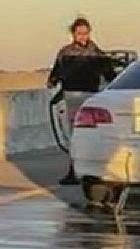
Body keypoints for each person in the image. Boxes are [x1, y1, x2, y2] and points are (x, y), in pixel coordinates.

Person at [47, 17, 117, 188]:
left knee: (91, 134)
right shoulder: (65, 53)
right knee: (74, 135)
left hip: (91, 96)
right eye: (79, 34)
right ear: (73, 34)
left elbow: (110, 76)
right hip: (71, 96)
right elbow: (56, 73)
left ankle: (94, 171)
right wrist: (53, 81)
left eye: (85, 33)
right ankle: (74, 170)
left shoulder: (96, 53)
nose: (82, 37)